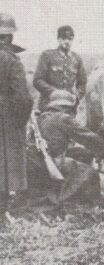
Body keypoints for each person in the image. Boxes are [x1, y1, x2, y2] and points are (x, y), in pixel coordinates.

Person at [26, 90, 104, 206]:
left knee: (83, 153)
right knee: (90, 173)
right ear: (67, 106)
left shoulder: (41, 118)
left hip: (34, 164)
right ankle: (93, 202)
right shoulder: (63, 118)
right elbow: (86, 137)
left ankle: (70, 190)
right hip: (47, 165)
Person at [0, 13, 33, 218]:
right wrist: (19, 123)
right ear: (11, 38)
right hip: (6, 118)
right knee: (5, 164)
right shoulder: (12, 61)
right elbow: (24, 99)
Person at [33, 25, 87, 113]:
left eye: (70, 39)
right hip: (49, 105)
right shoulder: (47, 56)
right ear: (58, 39)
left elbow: (82, 83)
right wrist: (54, 93)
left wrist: (76, 97)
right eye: (63, 38)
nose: (67, 41)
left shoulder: (77, 59)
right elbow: (37, 80)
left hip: (69, 107)